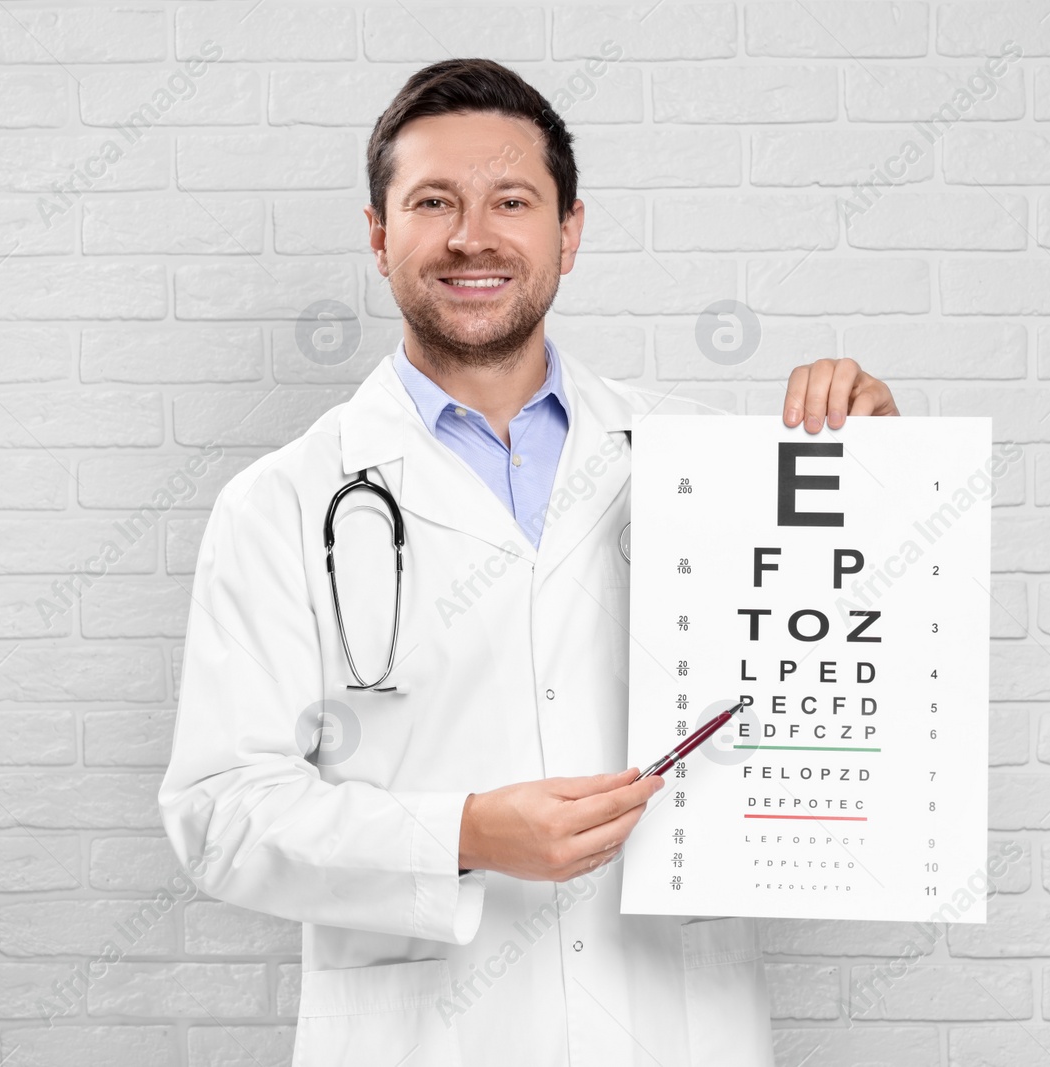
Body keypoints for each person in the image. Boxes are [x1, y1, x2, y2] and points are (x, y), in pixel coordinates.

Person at [158, 57, 899, 1067]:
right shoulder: (282, 502)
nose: (473, 235)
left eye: (512, 199)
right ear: (379, 235)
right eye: (432, 202)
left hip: (673, 1025)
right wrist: (460, 834)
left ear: (569, 231)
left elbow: (834, 689)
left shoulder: (707, 468)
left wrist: (871, 473)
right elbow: (219, 814)